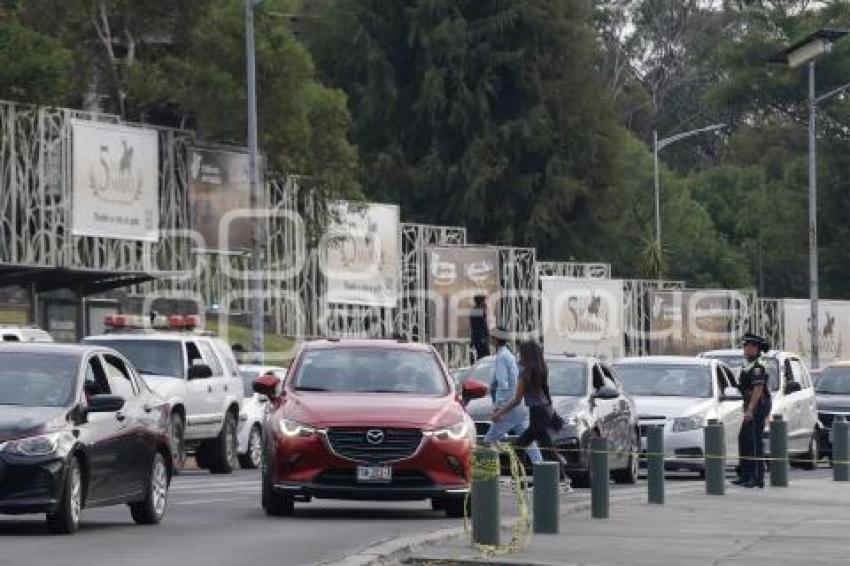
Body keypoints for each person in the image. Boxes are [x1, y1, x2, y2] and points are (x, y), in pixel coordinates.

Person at [492, 340, 565, 477]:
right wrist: (553, 415)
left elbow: (517, 400)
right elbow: (546, 396)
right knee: (540, 448)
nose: (519, 356)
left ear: (526, 355)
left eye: (521, 353)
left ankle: (561, 479)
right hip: (542, 412)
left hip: (537, 414)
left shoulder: (525, 373)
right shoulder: (541, 369)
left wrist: (500, 413)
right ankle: (523, 478)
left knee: (540, 449)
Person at [482, 328, 542, 465]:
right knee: (529, 443)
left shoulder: (502, 357)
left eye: (492, 337)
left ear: (496, 340)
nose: (490, 339)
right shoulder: (509, 355)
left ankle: (488, 476)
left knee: (489, 441)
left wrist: (499, 408)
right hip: (519, 407)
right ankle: (540, 468)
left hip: (508, 406)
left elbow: (503, 384)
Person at [733, 332, 772, 488]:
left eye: (747, 346)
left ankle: (757, 478)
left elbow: (758, 389)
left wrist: (750, 410)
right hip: (751, 404)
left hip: (758, 404)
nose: (744, 348)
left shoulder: (758, 365)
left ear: (755, 348)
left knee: (754, 441)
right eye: (744, 345)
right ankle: (745, 474)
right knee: (744, 438)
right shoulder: (747, 363)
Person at [470, 295, 489, 362]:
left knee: (481, 354)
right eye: (484, 301)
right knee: (483, 355)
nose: (485, 303)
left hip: (478, 336)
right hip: (480, 337)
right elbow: (481, 321)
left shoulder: (474, 310)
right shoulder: (478, 310)